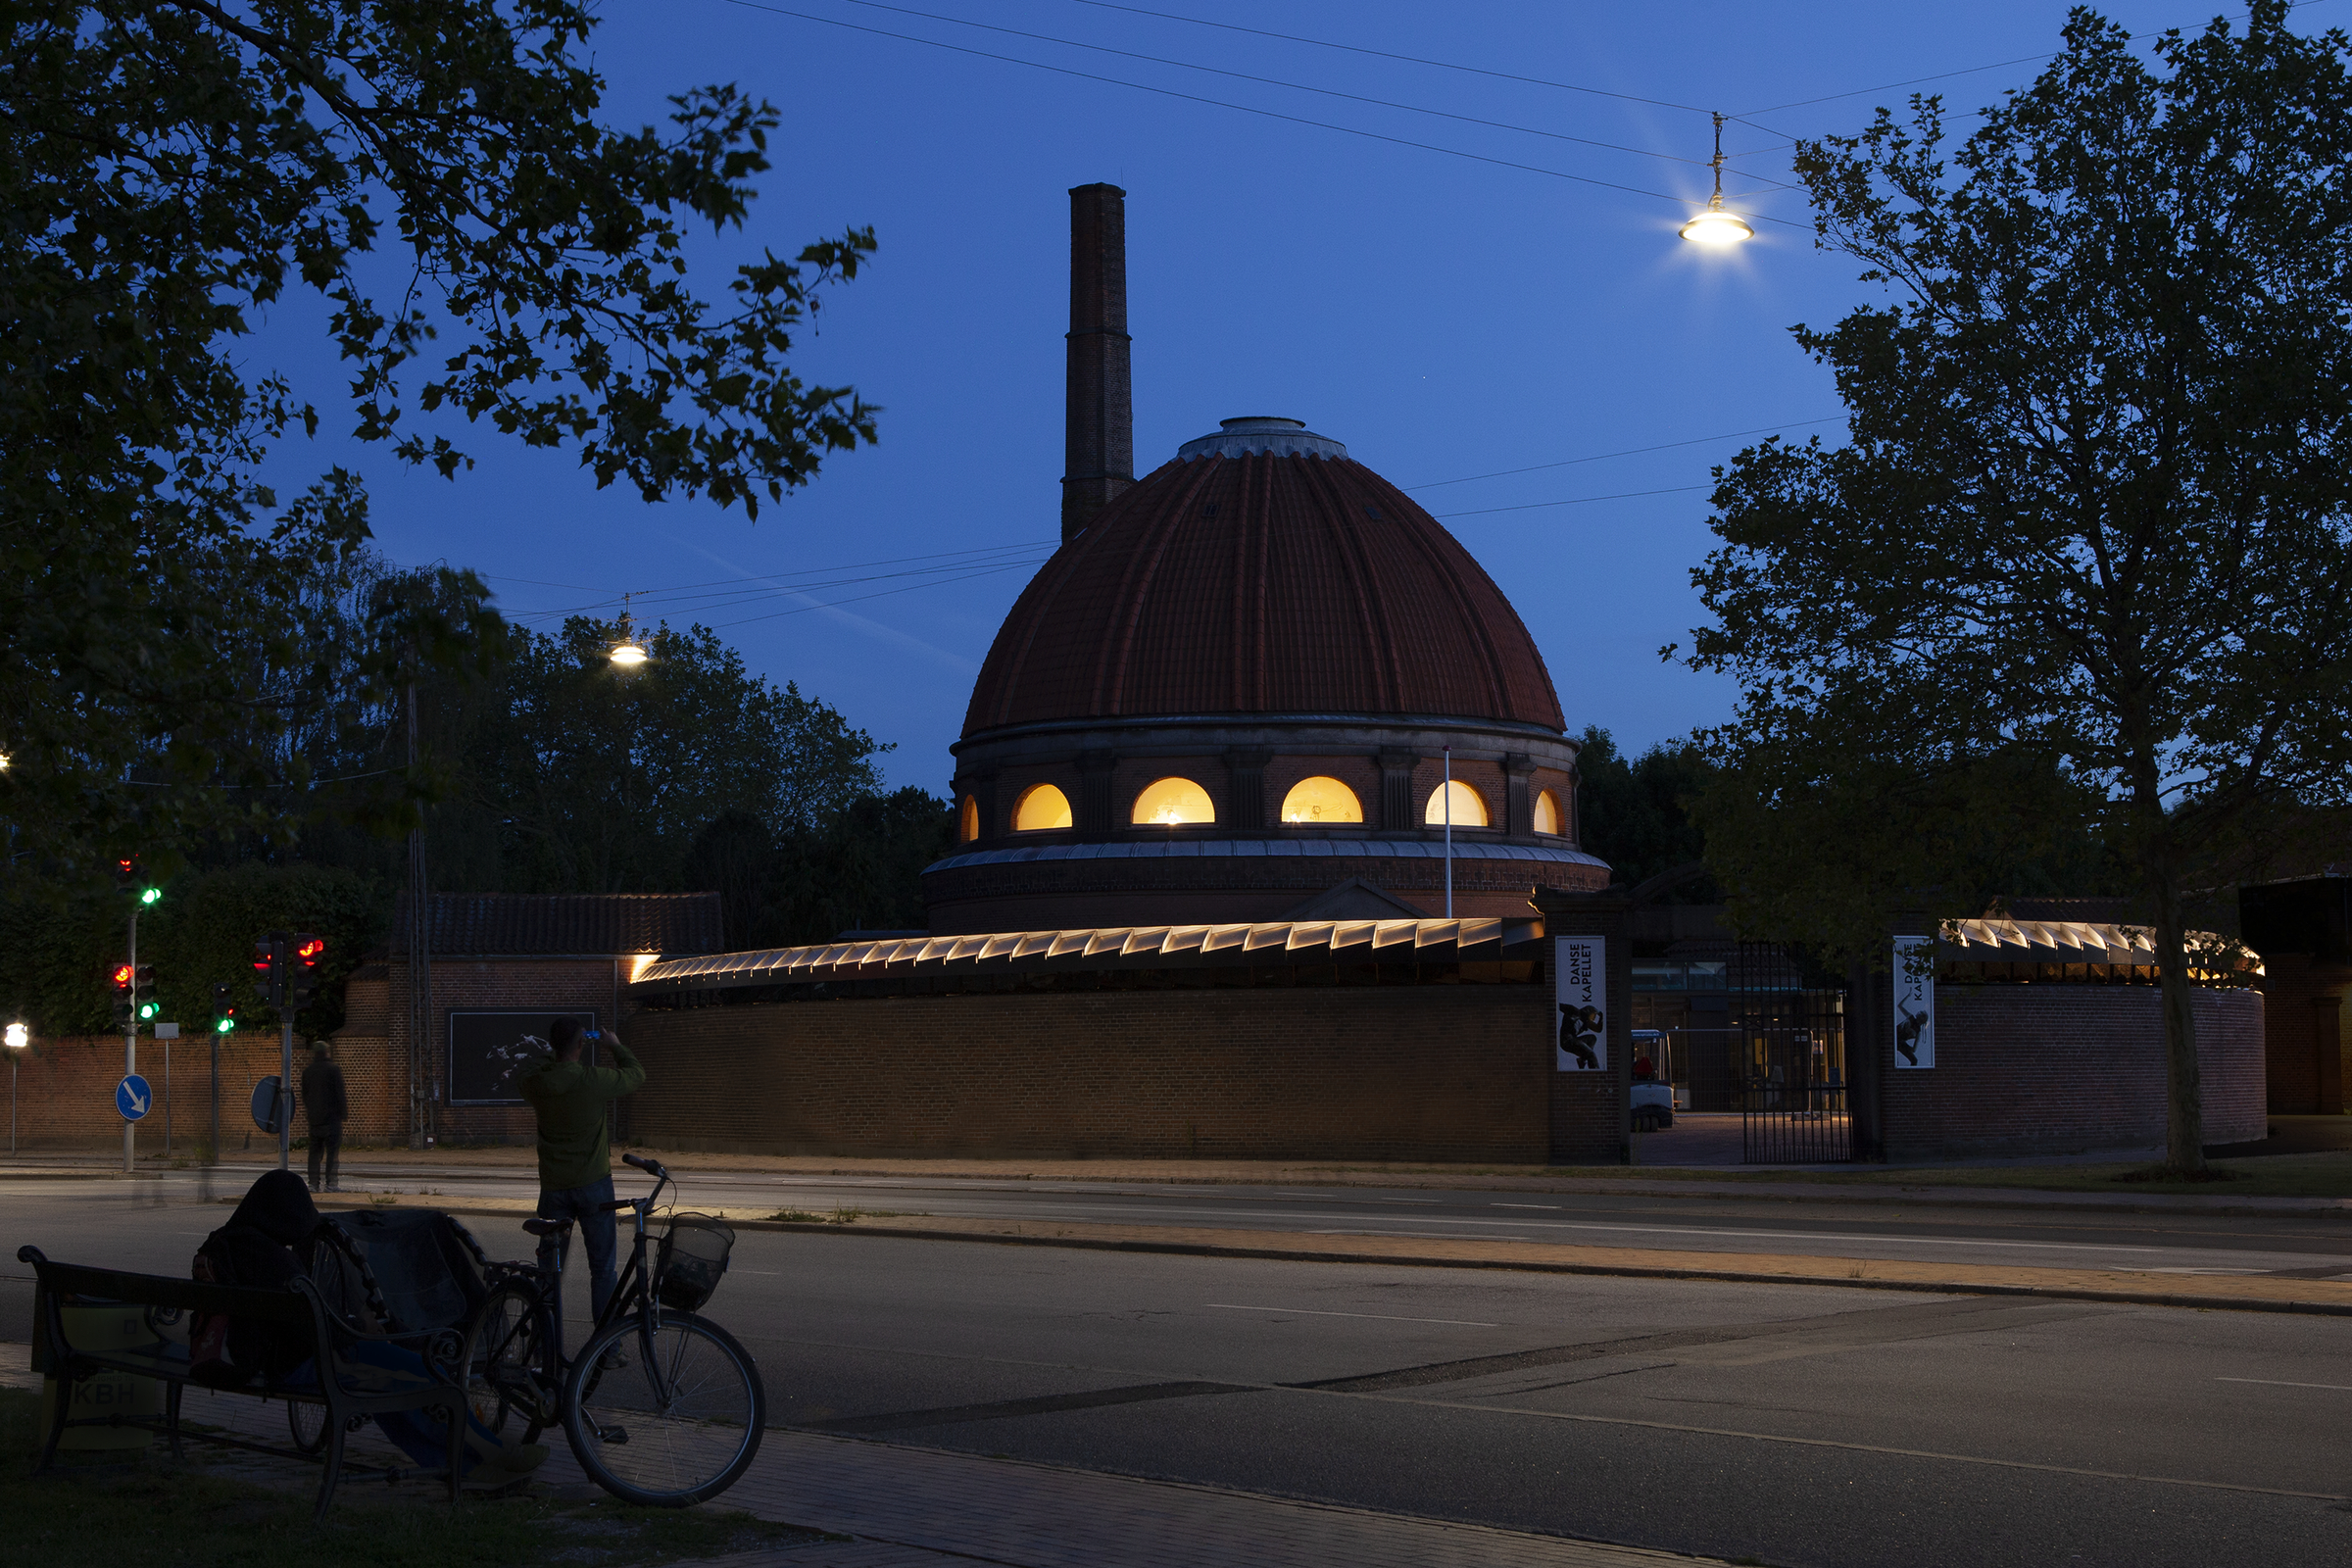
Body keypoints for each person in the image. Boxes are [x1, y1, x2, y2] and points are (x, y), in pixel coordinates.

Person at [518, 1018, 645, 1327]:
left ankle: (543, 1349)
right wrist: (615, 1047)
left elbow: (531, 1072)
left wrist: (554, 1053)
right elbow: (635, 1075)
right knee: (602, 1269)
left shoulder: (537, 1083)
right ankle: (606, 1348)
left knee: (548, 1270)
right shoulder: (592, 1080)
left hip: (553, 1187)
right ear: (581, 1044)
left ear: (554, 1046)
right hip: (594, 1185)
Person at [301, 1040, 348, 1194]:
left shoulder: (307, 1072)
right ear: (327, 1052)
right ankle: (331, 1184)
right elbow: (339, 1093)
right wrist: (343, 1113)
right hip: (332, 1119)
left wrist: (311, 1112)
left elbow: (305, 1095)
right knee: (332, 1154)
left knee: (314, 1154)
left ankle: (313, 1184)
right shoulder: (333, 1070)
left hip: (314, 1120)